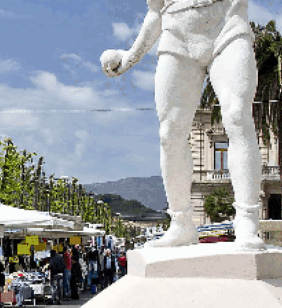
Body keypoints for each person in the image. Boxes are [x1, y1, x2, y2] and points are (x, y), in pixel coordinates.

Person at [101, 0, 265, 250]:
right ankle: (181, 223)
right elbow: (155, 11)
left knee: (237, 116)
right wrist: (130, 57)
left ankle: (247, 220)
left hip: (228, 25)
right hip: (176, 34)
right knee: (169, 133)